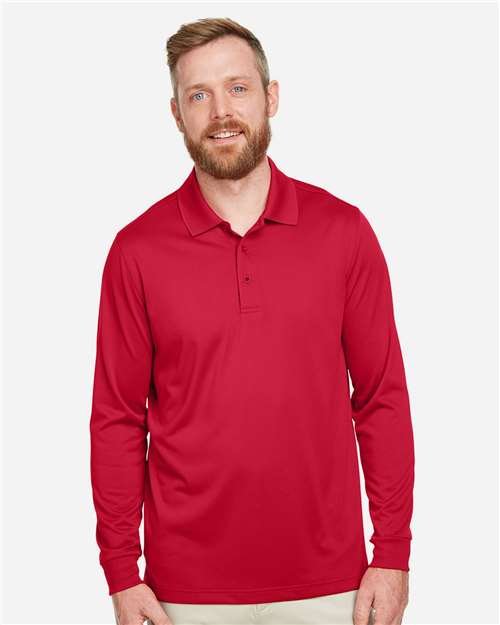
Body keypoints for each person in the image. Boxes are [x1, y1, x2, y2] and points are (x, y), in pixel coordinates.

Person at [89, 16, 415, 625]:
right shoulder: (137, 251)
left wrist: (392, 552)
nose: (221, 111)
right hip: (183, 594)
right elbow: (117, 418)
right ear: (176, 114)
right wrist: (120, 571)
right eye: (199, 95)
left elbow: (381, 398)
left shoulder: (343, 232)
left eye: (237, 88)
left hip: (331, 585)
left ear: (271, 97)